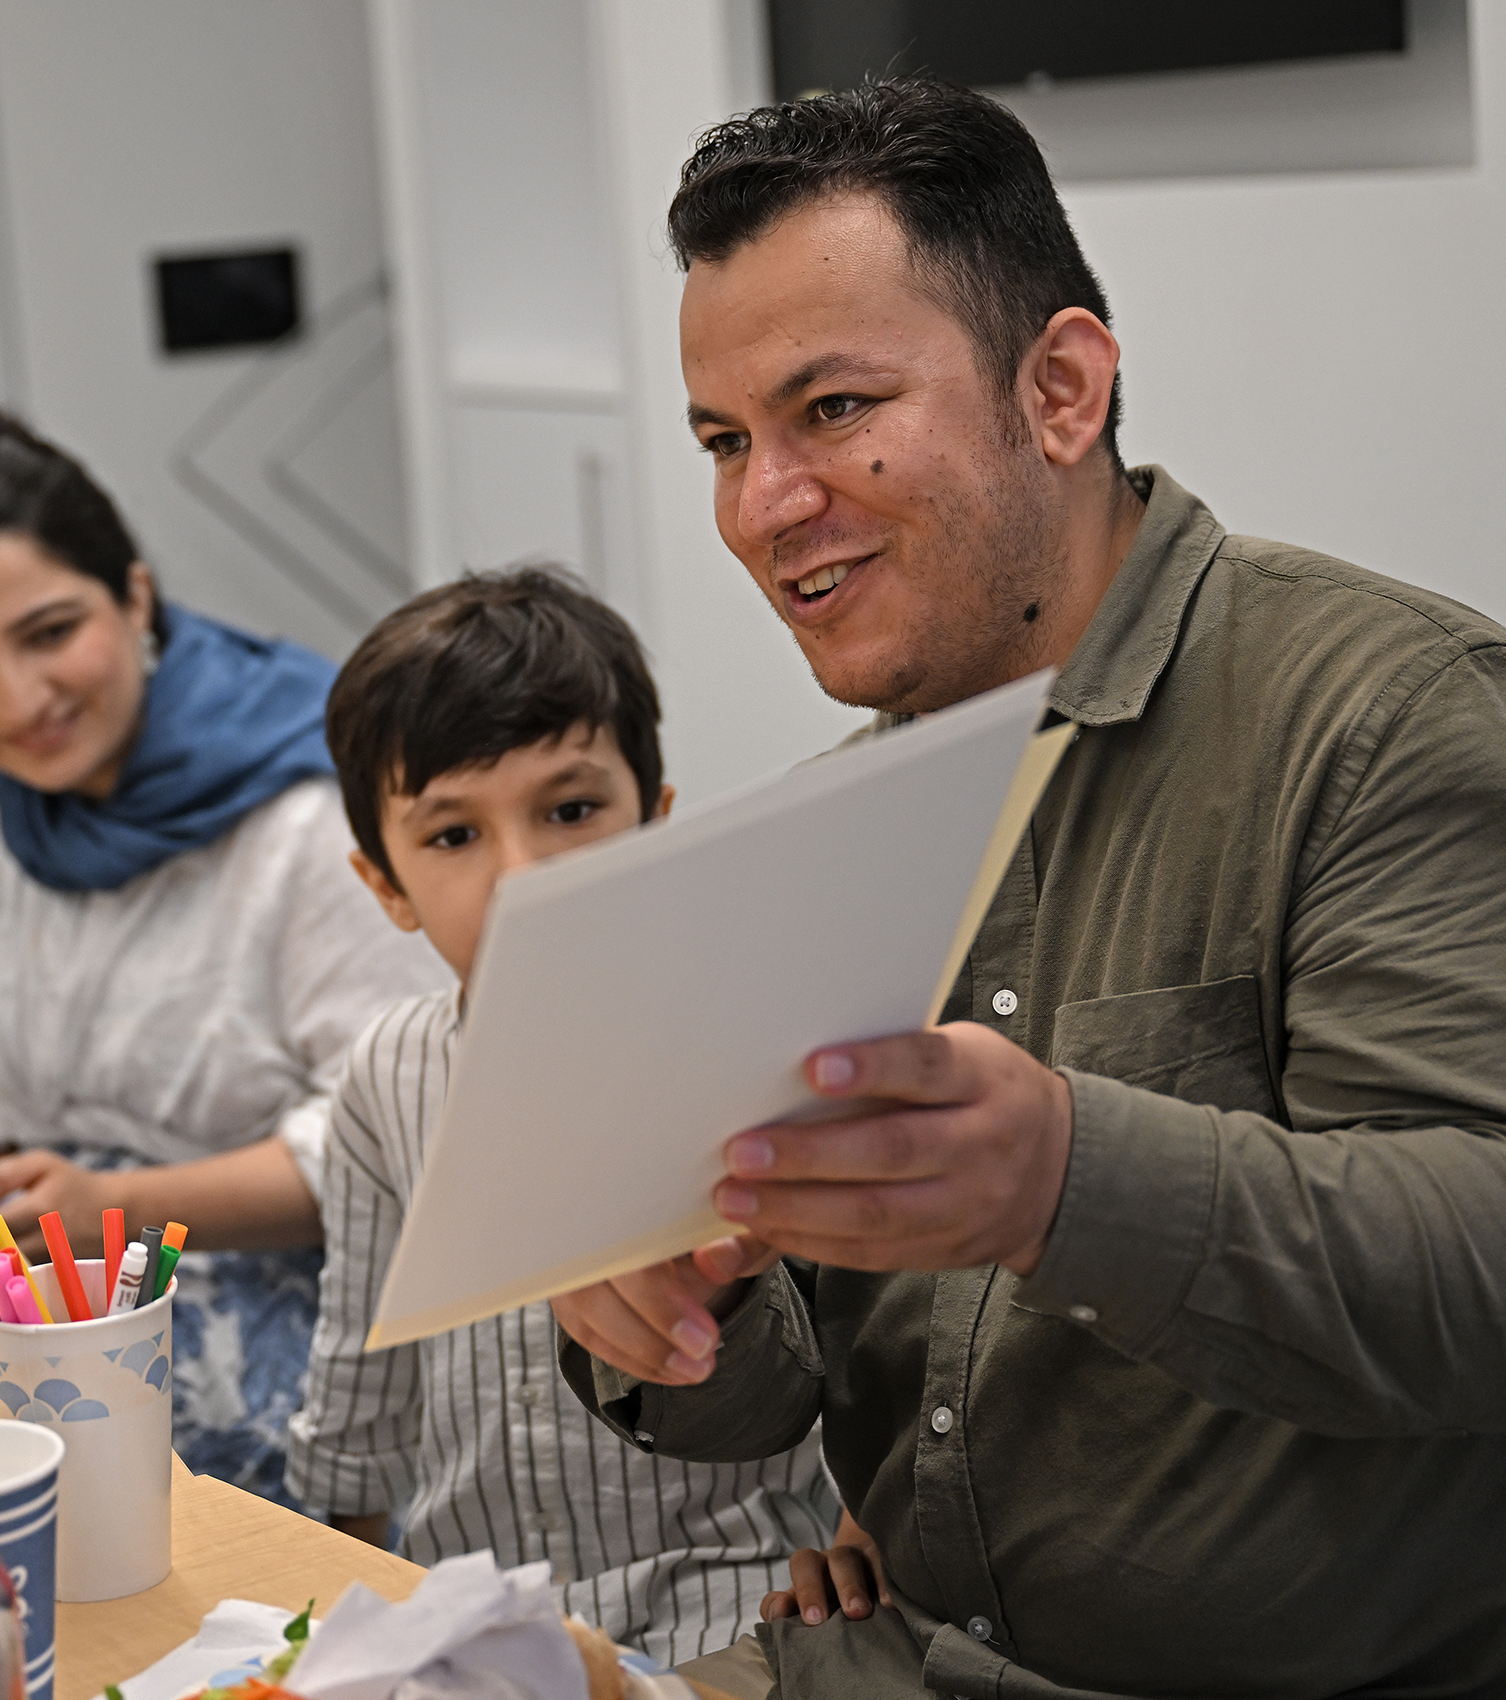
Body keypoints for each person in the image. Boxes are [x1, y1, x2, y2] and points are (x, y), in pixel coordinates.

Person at [546, 75, 1506, 1700]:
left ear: (1058, 387)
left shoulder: (1381, 713)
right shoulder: (822, 832)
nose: (756, 507)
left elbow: (1477, 1269)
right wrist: (638, 1307)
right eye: (722, 441)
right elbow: (762, 1391)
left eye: (831, 409)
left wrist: (1063, 1178)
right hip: (884, 1660)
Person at [0, 408, 449, 1503]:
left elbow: (392, 1132)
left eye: (50, 632)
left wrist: (118, 1207)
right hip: (61, 1266)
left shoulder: (306, 814)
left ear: (136, 597)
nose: (15, 702)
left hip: (302, 1304)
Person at [283, 567, 834, 1663]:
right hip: (476, 1622)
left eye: (572, 810)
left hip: (733, 1609)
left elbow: (875, 1351)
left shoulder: (760, 1051)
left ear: (656, 824)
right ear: (384, 884)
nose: (523, 873)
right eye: (452, 836)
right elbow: (361, 1391)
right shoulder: (386, 1077)